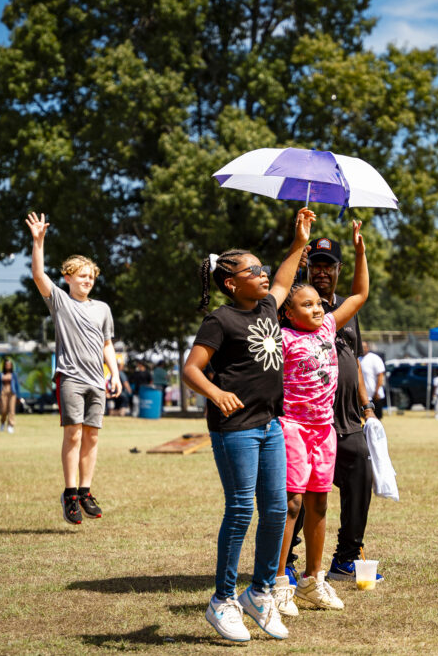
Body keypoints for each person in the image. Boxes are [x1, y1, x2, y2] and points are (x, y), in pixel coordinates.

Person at [182, 207, 314, 643]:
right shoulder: (221, 319)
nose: (263, 274)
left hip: (269, 424)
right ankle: (222, 601)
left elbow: (283, 279)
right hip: (234, 428)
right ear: (230, 282)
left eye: (262, 267)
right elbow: (191, 370)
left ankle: (259, 593)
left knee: (276, 511)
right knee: (240, 510)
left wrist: (298, 242)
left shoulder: (267, 307)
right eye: (252, 270)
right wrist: (216, 393)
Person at [273, 219, 368, 617]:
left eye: (317, 303)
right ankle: (277, 583)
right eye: (305, 304)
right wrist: (299, 244)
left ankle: (314, 580)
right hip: (292, 427)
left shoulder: (329, 325)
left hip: (324, 430)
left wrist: (360, 251)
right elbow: (276, 293)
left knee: (319, 503)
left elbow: (360, 293)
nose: (316, 308)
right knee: (290, 505)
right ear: (288, 313)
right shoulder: (282, 336)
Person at [285, 235, 383, 588]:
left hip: (345, 417)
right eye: (317, 265)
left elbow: (354, 359)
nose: (322, 271)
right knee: (298, 491)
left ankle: (346, 557)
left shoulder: (342, 311)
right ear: (307, 268)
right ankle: (288, 563)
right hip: (305, 419)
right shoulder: (295, 312)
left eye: (328, 265)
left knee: (360, 481)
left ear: (338, 269)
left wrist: (367, 405)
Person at [26, 211, 121, 526]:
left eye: (91, 276)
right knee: (74, 432)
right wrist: (38, 241)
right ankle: (69, 493)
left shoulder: (103, 309)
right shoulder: (60, 303)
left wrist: (115, 375)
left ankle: (85, 491)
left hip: (97, 380)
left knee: (92, 436)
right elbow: (39, 276)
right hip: (70, 378)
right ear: (67, 277)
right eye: (81, 275)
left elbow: (108, 344)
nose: (87, 280)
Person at [0, 358, 21, 433]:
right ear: (4, 366)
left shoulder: (14, 374)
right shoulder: (1, 374)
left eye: (9, 365)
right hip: (3, 392)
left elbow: (16, 385)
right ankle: (2, 423)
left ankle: (10, 425)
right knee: (3, 410)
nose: (8, 366)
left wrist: (19, 396)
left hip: (12, 393)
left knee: (11, 410)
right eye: (6, 365)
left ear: (11, 366)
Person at [359, 342, 386, 407]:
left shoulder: (374, 358)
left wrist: (376, 392)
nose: (362, 349)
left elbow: (380, 375)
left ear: (367, 348)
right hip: (363, 396)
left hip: (375, 396)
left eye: (364, 347)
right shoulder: (358, 359)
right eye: (361, 347)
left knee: (376, 416)